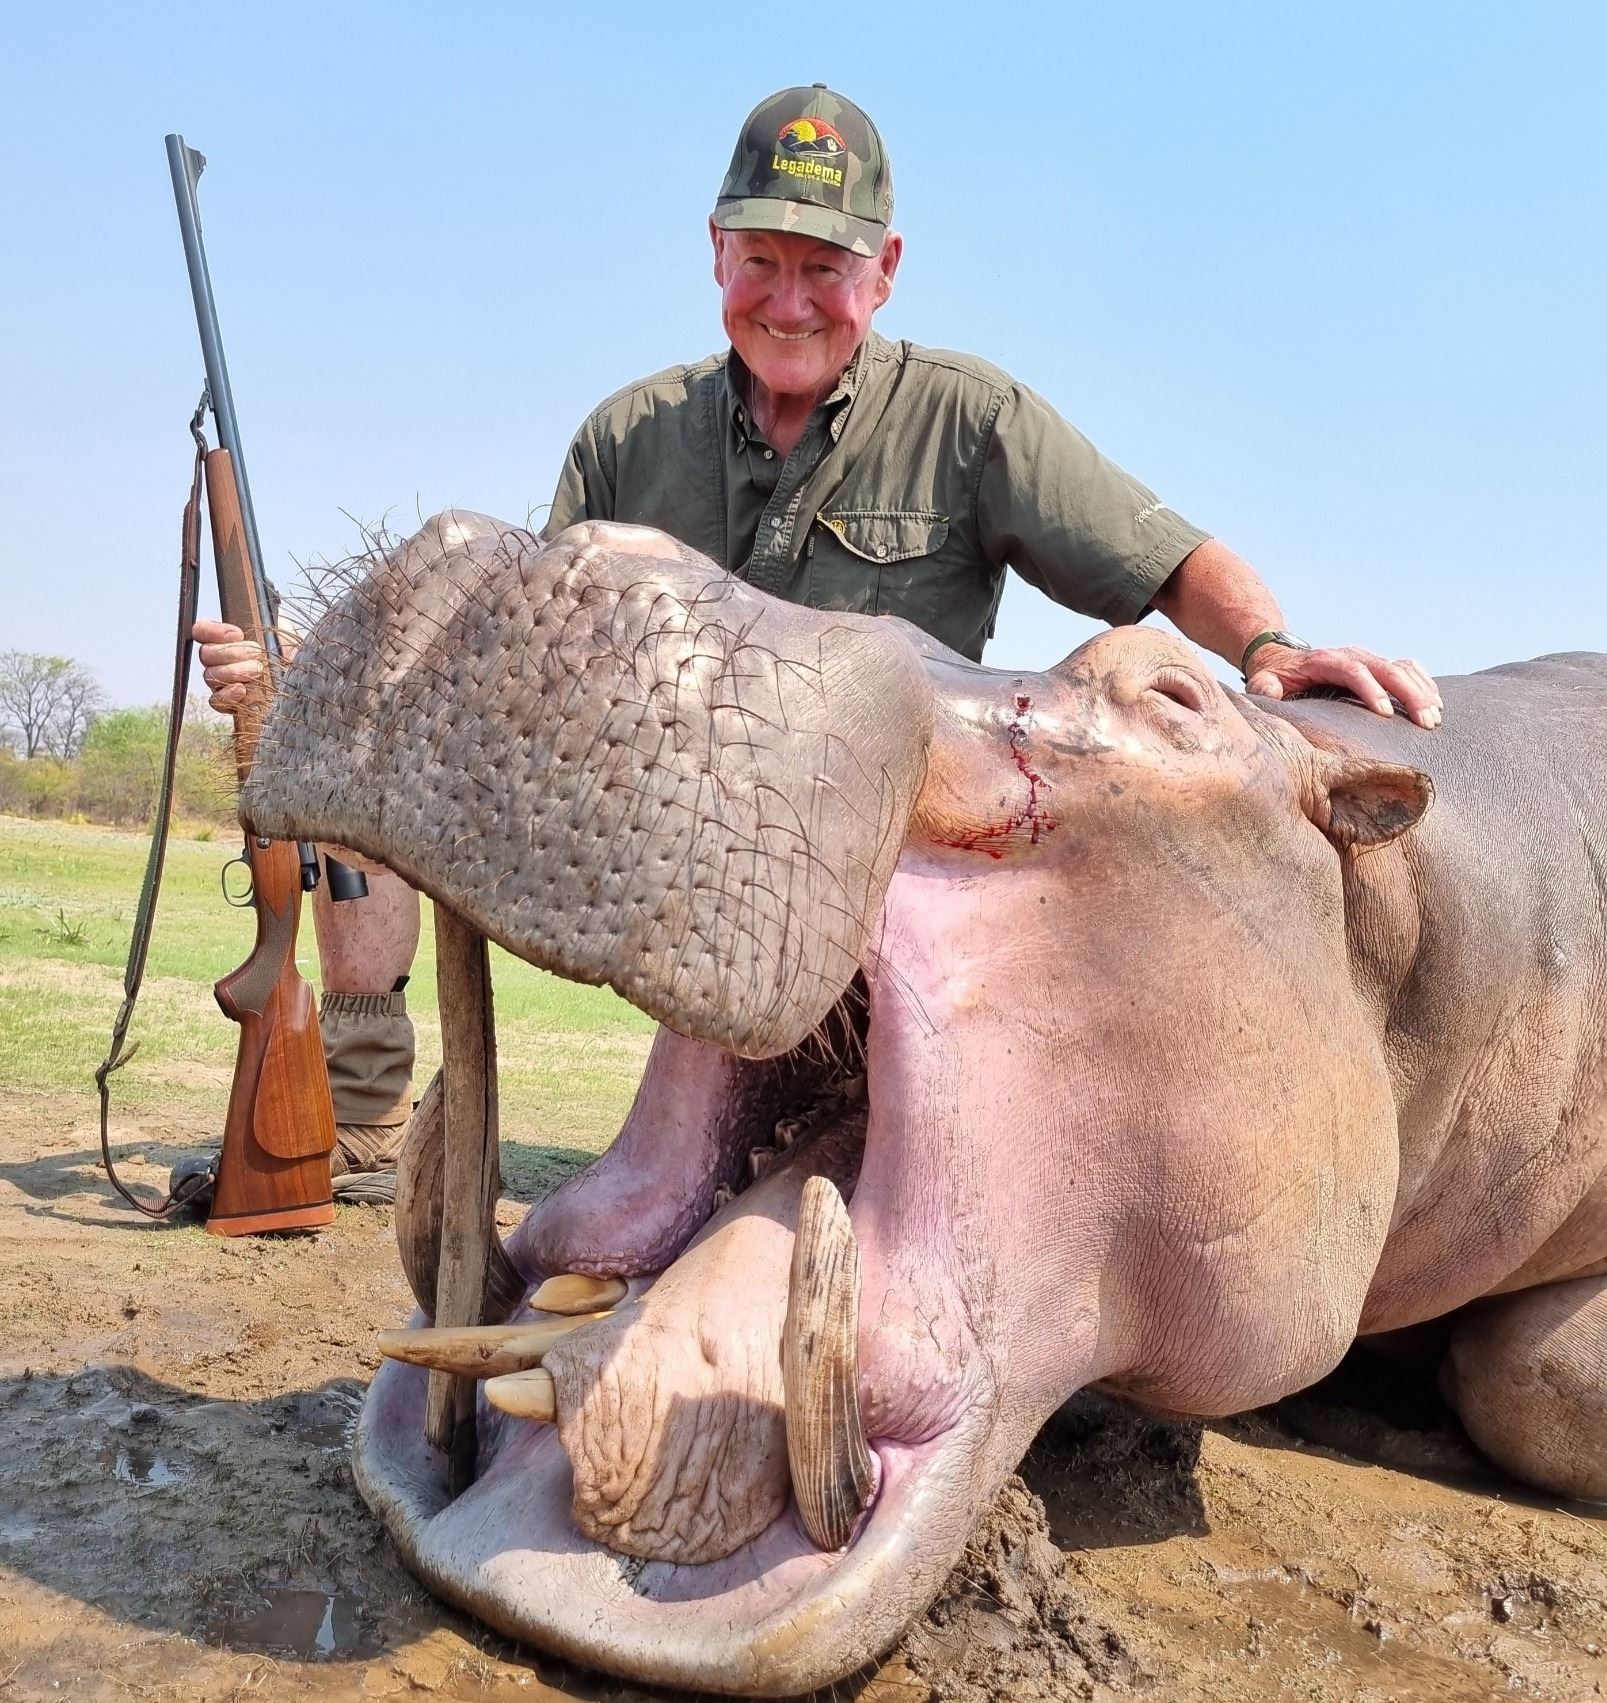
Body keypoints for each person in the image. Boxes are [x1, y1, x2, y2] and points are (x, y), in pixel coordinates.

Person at [190, 83, 1444, 1201]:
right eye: (760, 262)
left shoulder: (970, 418)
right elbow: (535, 650)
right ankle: (357, 1106)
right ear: (715, 252)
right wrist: (306, 681)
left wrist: (1269, 645)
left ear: (883, 271)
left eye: (825, 269)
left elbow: (1164, 560)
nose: (788, 302)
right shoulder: (628, 437)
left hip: (884, 851)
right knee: (379, 768)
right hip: (681, 841)